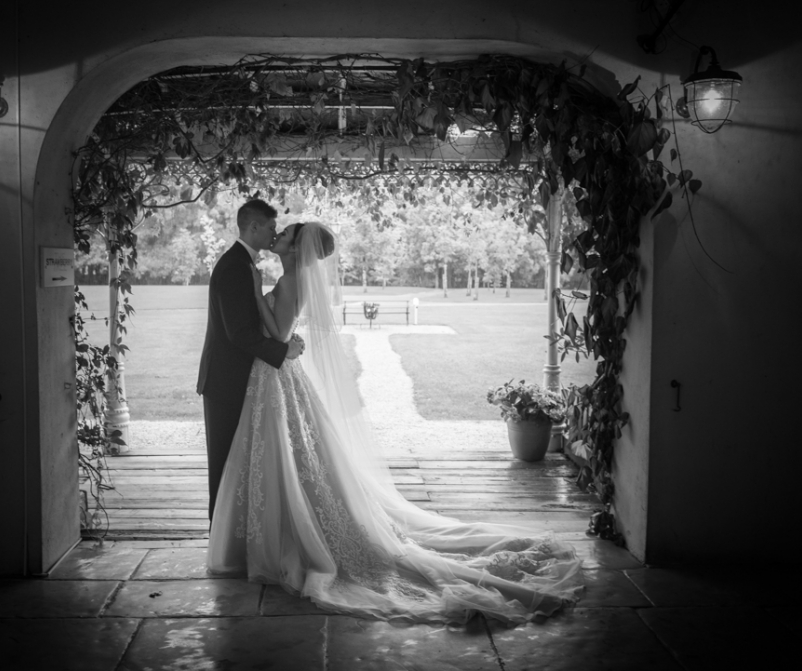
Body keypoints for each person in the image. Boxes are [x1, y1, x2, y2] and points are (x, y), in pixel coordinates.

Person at [207, 221, 582, 625]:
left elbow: (280, 331)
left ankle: (292, 536)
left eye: (287, 233)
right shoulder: (289, 275)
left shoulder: (293, 278)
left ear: (297, 249)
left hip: (275, 375)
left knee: (293, 457)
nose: (278, 234)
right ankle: (280, 531)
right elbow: (282, 333)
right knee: (289, 458)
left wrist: (257, 298)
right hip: (272, 376)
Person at [197, 199, 305, 524]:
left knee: (240, 462)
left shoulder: (244, 263)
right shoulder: (234, 267)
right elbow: (238, 333)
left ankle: (237, 534)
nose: (274, 233)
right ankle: (221, 537)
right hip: (226, 381)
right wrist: (281, 350)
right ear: (254, 227)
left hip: (239, 378)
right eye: (271, 227)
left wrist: (283, 341)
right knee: (224, 464)